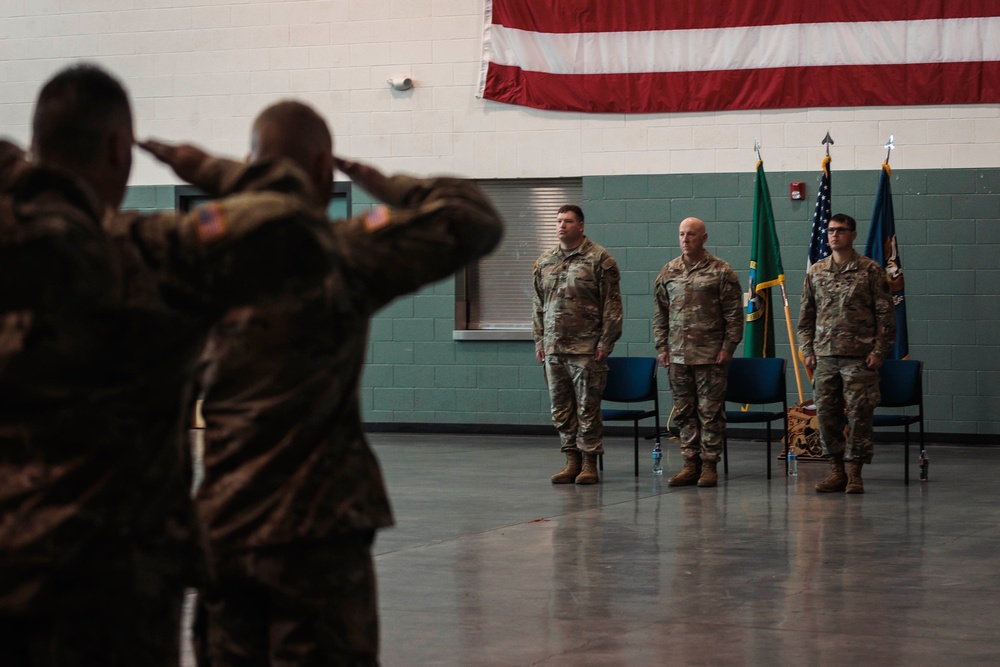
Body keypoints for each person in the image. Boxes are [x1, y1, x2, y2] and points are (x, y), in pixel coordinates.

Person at [0, 64, 331, 666]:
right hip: (110, 588)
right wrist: (203, 166)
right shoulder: (145, 252)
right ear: (115, 148)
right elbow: (292, 219)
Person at [190, 100, 504, 666]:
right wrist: (389, 184)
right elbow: (473, 219)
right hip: (321, 529)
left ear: (246, 166)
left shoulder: (188, 253)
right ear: (319, 170)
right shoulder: (343, 252)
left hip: (225, 524)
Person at [798, 213, 895, 494]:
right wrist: (807, 350)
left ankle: (855, 473)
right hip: (825, 358)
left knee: (859, 416)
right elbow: (806, 317)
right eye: (830, 230)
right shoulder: (816, 271)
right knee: (827, 416)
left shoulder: (870, 270)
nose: (834, 235)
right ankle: (836, 471)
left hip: (860, 358)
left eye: (840, 230)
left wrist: (879, 351)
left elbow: (886, 317)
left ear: (853, 234)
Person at [533, 205, 622, 485]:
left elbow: (612, 306)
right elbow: (538, 305)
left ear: (581, 226)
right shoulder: (545, 261)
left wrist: (606, 342)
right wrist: (539, 341)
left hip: (586, 348)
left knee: (587, 408)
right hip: (554, 348)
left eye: (568, 221)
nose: (562, 226)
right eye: (558, 221)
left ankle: (589, 463)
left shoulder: (599, 259)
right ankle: (570, 459)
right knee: (560, 408)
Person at [653, 217, 743, 488]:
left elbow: (734, 315)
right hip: (678, 356)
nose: (685, 239)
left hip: (710, 356)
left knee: (710, 413)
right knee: (684, 413)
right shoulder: (668, 272)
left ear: (704, 238)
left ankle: (709, 466)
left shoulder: (721, 271)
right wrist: (662, 347)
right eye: (681, 234)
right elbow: (660, 314)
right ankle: (689, 464)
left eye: (691, 234)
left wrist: (728, 347)